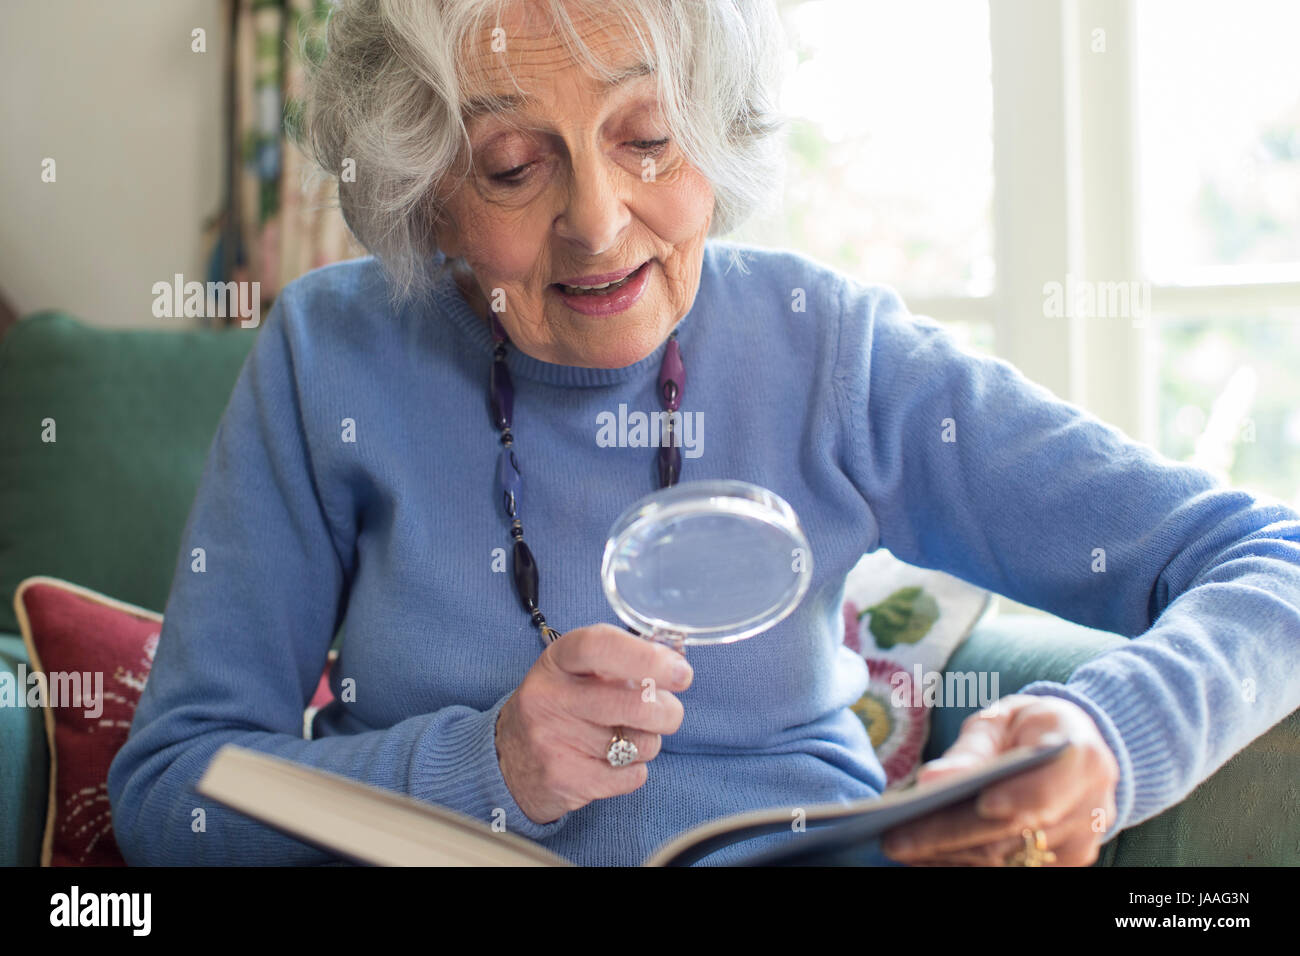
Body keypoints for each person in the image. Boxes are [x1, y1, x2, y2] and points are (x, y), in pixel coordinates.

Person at [108, 0, 1300, 866]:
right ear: (424, 188)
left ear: (719, 132)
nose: (597, 223)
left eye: (646, 137)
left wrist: (1104, 732)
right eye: (513, 164)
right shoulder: (333, 354)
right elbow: (173, 793)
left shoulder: (825, 347)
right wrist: (489, 771)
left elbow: (1272, 558)